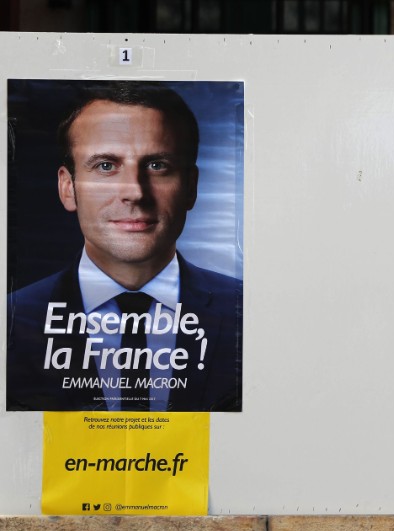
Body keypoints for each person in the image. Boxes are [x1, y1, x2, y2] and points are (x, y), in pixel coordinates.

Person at [7, 81, 243, 412]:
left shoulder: (248, 316)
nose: (135, 192)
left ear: (191, 187)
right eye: (106, 165)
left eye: (157, 165)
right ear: (67, 188)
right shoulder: (10, 323)